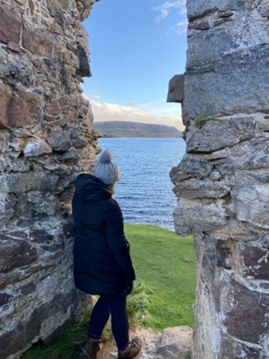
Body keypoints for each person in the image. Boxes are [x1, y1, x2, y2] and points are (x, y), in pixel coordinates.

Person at [72, 149, 142, 359]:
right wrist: (128, 275)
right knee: (118, 298)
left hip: (85, 263)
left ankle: (91, 344)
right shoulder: (110, 207)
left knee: (107, 297)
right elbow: (117, 246)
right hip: (106, 266)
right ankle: (124, 350)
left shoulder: (79, 196)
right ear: (113, 180)